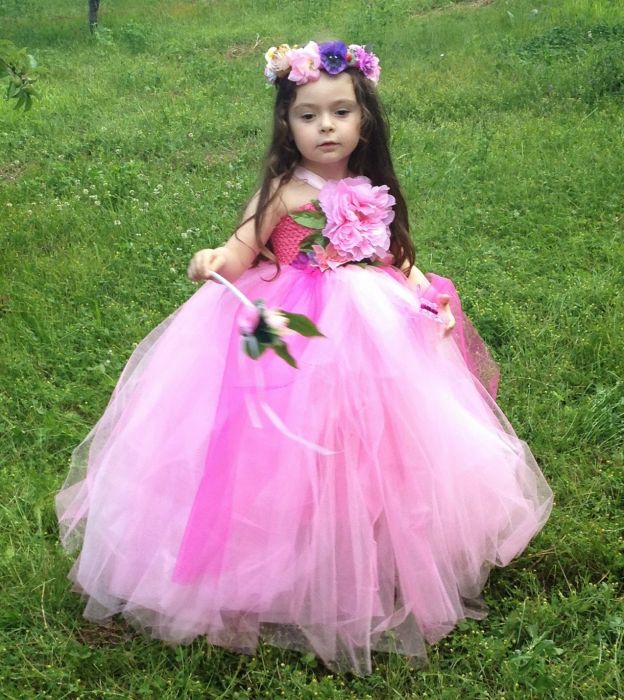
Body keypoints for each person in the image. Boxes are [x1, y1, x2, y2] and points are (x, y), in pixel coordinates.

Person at [56, 40, 552, 676]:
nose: (326, 127)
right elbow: (241, 249)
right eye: (308, 115)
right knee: (283, 440)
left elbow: (389, 256)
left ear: (364, 119)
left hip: (371, 324)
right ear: (287, 125)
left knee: (375, 436)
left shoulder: (369, 188)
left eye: (341, 112)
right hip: (293, 328)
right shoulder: (283, 192)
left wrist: (426, 293)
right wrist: (214, 260)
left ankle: (374, 543)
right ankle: (282, 556)